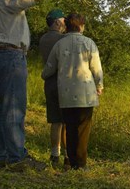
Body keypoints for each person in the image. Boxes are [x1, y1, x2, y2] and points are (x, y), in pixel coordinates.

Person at [0, 0, 45, 171]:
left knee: (4, 108)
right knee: (14, 108)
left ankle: (0, 154)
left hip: (3, 55)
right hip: (12, 56)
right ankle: (16, 158)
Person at [41, 13, 103, 170]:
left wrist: (44, 75)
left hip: (66, 93)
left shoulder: (59, 44)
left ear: (66, 26)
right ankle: (80, 164)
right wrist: (99, 85)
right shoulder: (89, 43)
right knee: (82, 129)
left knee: (69, 127)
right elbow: (96, 68)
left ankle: (70, 161)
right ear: (81, 26)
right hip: (86, 94)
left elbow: (49, 67)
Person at [38, 8, 67, 164]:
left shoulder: (43, 39)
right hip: (62, 83)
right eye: (63, 20)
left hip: (49, 82)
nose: (65, 23)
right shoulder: (63, 40)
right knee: (66, 121)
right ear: (57, 22)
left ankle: (54, 154)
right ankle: (68, 156)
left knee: (55, 121)